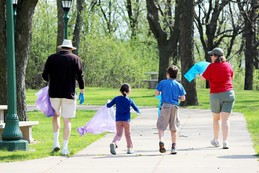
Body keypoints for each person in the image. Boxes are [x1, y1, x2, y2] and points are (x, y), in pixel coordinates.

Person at [42, 39, 85, 155]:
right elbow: (80, 77)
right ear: (71, 49)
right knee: (67, 120)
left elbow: (45, 76)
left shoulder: (51, 58)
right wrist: (82, 91)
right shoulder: (75, 59)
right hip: (69, 94)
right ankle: (65, 148)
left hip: (54, 93)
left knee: (56, 116)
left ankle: (56, 142)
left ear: (61, 48)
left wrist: (53, 78)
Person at [201, 47, 235, 149]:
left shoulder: (211, 67)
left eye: (211, 55)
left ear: (215, 56)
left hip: (216, 94)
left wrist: (200, 72)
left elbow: (203, 77)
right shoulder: (228, 65)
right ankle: (225, 142)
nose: (210, 57)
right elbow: (231, 76)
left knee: (216, 119)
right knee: (225, 120)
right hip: (229, 93)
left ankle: (216, 140)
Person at [154, 65, 186, 154]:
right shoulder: (179, 85)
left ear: (167, 74)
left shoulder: (163, 83)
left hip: (165, 106)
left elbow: (156, 93)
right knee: (174, 128)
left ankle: (161, 140)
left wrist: (161, 93)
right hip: (175, 107)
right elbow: (183, 98)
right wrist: (177, 97)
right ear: (176, 75)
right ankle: (173, 146)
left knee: (161, 126)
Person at [107, 83, 140, 155]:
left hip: (118, 120)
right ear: (128, 91)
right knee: (128, 134)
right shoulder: (129, 100)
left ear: (120, 91)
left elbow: (109, 106)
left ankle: (114, 143)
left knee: (118, 134)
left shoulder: (116, 99)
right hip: (126, 120)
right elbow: (136, 109)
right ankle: (129, 149)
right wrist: (139, 111)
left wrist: (108, 103)